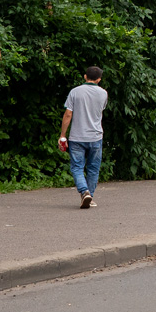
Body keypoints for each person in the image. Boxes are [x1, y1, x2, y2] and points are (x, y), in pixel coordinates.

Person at [59, 66, 107, 209]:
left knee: (77, 167)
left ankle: (84, 192)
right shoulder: (103, 93)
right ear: (99, 79)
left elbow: (68, 114)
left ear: (85, 76)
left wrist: (63, 135)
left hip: (77, 137)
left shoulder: (75, 92)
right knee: (93, 168)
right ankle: (89, 196)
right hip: (96, 136)